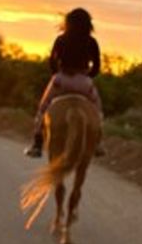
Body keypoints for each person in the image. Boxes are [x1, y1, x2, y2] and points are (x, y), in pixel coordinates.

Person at [26, 8, 103, 158]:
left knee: (43, 107)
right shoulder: (92, 42)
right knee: (97, 109)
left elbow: (52, 62)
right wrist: (87, 77)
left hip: (62, 80)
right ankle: (97, 142)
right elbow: (97, 67)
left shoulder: (61, 39)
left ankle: (37, 143)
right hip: (83, 82)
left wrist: (58, 76)